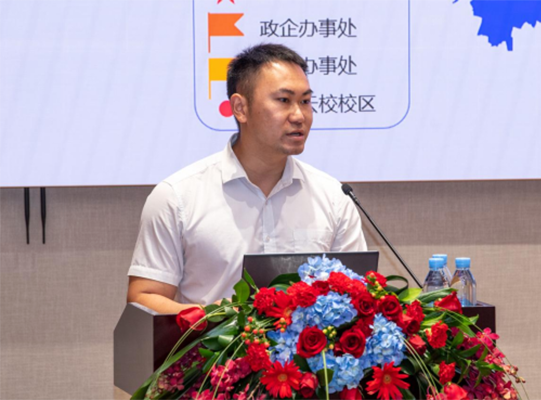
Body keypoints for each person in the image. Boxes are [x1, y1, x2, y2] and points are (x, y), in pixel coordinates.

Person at [127, 44, 367, 314]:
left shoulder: (333, 197)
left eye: (305, 101)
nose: (299, 116)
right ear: (240, 108)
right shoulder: (178, 196)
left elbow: (357, 295)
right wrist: (213, 318)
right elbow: (144, 298)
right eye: (284, 100)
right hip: (212, 343)